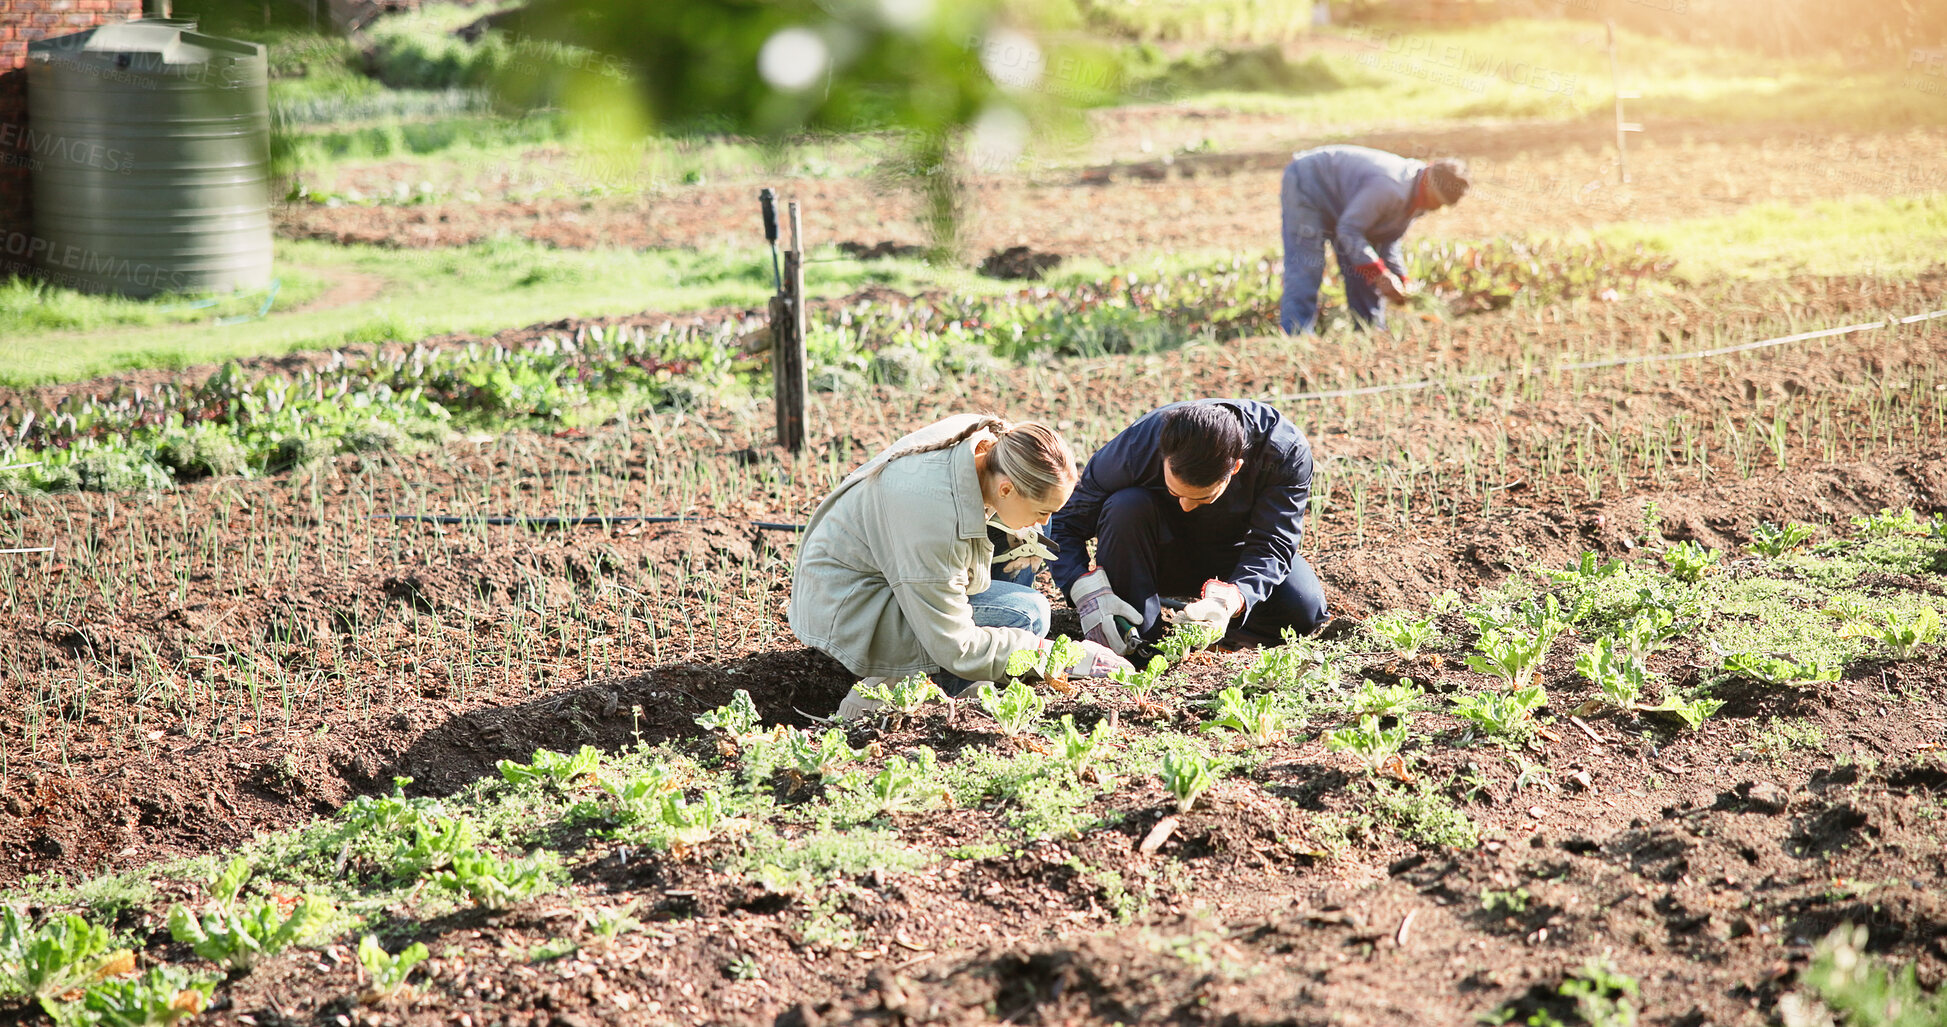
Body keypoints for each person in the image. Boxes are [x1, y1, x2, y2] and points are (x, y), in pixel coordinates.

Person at [790, 414, 1135, 720]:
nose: (1045, 521)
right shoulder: (932, 519)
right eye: (1042, 511)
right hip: (849, 606)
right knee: (1026, 615)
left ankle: (964, 684)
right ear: (1006, 489)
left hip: (883, 572)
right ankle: (876, 699)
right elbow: (957, 646)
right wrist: (1060, 656)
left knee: (1024, 549)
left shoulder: (990, 445)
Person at [1047, 399, 1327, 653]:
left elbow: (1273, 543)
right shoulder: (1135, 448)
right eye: (1174, 492)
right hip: (1154, 554)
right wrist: (1083, 588)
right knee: (1125, 506)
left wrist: (1236, 597)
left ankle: (1216, 633)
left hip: (1233, 556)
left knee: (1302, 609)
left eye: (1202, 498)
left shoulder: (1282, 452)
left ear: (1235, 468)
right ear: (1163, 455)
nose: (1186, 505)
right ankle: (1141, 639)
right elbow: (1064, 522)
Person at [1280, 145, 1469, 335]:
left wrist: (1399, 278)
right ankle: (1297, 334)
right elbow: (1349, 230)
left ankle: (1369, 330)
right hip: (1308, 183)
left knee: (1363, 262)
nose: (1433, 209)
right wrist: (1380, 275)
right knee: (1307, 263)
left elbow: (1386, 240)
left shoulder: (1419, 197)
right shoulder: (1390, 187)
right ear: (1428, 182)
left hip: (1344, 205)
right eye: (1435, 202)